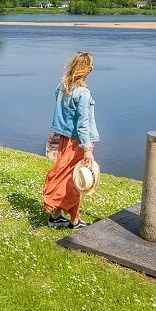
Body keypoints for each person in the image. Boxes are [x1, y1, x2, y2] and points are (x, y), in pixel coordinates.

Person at [43, 51, 99, 229]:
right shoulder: (83, 93)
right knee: (75, 180)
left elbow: (60, 107)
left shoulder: (63, 86)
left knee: (67, 175)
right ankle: (74, 220)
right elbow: (82, 124)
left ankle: (56, 216)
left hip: (65, 139)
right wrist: (88, 149)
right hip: (78, 142)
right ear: (88, 69)